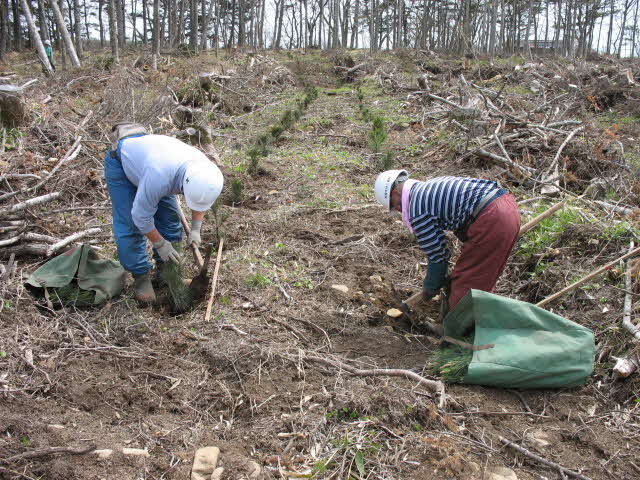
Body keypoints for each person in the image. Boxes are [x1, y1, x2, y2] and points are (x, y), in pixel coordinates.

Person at [105, 122, 224, 303]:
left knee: (169, 221)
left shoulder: (205, 171)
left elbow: (201, 200)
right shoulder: (159, 177)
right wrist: (160, 244)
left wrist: (195, 229)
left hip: (156, 161)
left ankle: (166, 274)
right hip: (122, 163)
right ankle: (141, 277)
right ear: (184, 185)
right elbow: (140, 217)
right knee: (129, 223)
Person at [374, 170, 520, 311]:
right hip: (506, 207)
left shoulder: (416, 209)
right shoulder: (426, 188)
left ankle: (457, 334)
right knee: (482, 278)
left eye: (394, 206)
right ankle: (479, 323)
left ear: (394, 194)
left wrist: (431, 285)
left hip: (492, 218)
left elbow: (437, 256)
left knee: (466, 283)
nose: (398, 210)